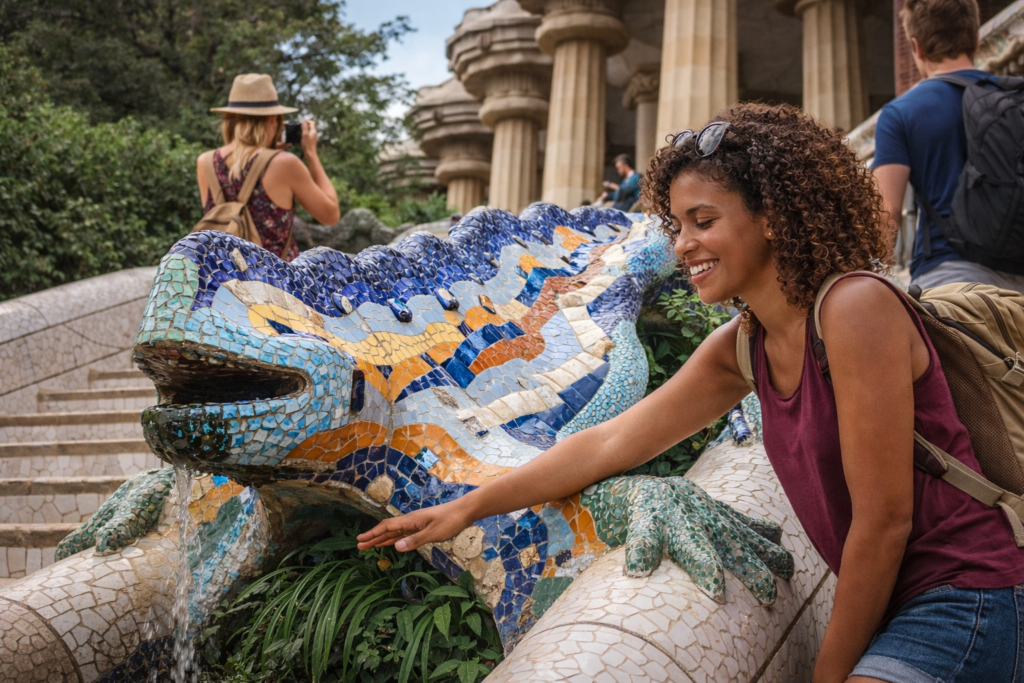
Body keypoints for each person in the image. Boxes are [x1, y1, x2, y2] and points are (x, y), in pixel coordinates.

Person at [358, 103, 1024, 683]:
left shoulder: (854, 309)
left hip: (971, 597)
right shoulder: (744, 343)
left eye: (703, 220)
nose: (683, 245)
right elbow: (610, 440)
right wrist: (466, 508)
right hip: (905, 606)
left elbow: (885, 523)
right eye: (677, 225)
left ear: (773, 216)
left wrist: (827, 671)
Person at [873, 0, 1024, 294]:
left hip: (950, 283)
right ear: (976, 39)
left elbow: (886, 213)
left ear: (917, 47)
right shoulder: (1015, 98)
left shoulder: (901, 112)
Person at [197, 73, 340, 261]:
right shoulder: (285, 163)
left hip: (225, 285)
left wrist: (268, 153)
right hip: (275, 286)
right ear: (273, 119)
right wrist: (311, 154)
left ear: (230, 119)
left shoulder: (206, 162)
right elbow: (330, 215)